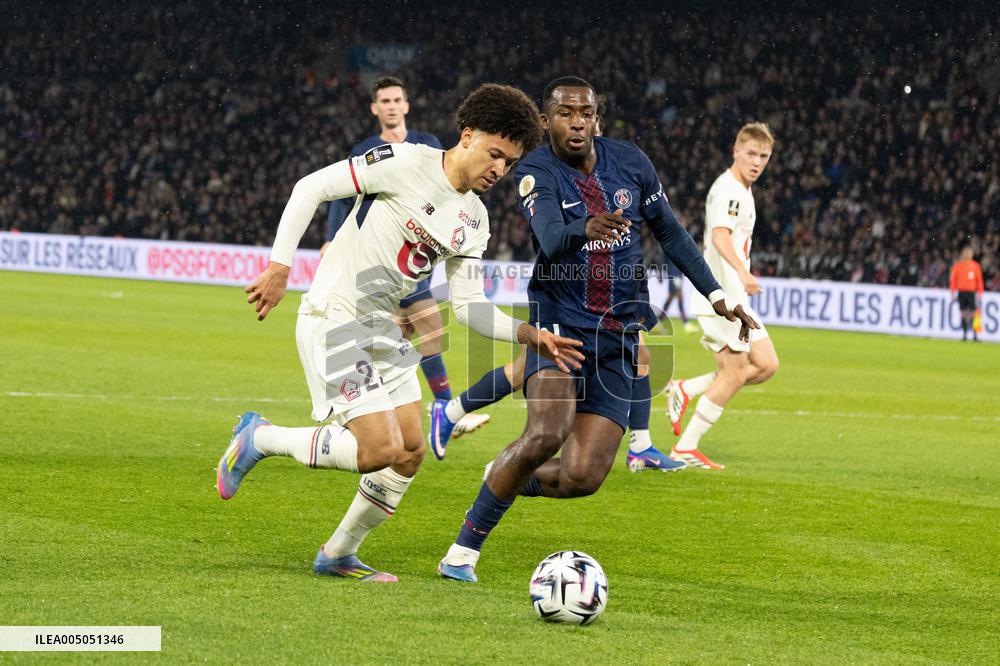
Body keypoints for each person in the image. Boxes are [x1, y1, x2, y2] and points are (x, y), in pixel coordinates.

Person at [215, 83, 584, 582]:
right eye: (495, 154)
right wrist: (280, 266)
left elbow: (470, 307)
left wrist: (527, 333)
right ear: (468, 135)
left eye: (510, 162)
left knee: (410, 452)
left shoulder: (475, 219)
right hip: (337, 313)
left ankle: (338, 553)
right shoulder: (406, 162)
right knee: (379, 451)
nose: (499, 170)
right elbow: (311, 187)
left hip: (384, 327)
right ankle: (260, 437)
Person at [436, 77, 757, 583]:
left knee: (583, 477)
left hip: (619, 334)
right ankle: (461, 554)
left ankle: (503, 474)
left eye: (585, 112)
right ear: (546, 122)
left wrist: (718, 294)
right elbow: (546, 235)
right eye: (565, 113)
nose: (577, 121)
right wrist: (583, 228)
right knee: (545, 434)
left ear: (597, 116)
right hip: (559, 329)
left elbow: (670, 231)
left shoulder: (631, 163)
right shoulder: (537, 169)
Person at [429, 102, 682, 471]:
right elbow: (553, 236)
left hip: (599, 300)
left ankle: (452, 410)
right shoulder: (553, 172)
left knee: (532, 369)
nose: (584, 129)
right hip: (565, 297)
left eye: (590, 120)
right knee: (542, 369)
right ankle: (636, 446)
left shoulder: (608, 170)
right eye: (571, 119)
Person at [323, 76, 458, 406]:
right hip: (380, 252)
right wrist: (331, 238)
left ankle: (428, 407)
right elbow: (344, 198)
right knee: (413, 331)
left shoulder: (427, 143)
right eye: (385, 101)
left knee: (417, 331)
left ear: (407, 105)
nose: (392, 106)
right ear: (375, 108)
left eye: (397, 100)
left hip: (416, 250)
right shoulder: (365, 150)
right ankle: (439, 407)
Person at [666, 123, 779, 470]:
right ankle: (686, 447)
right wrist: (743, 272)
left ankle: (685, 389)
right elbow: (719, 236)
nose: (757, 162)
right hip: (723, 296)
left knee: (766, 364)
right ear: (736, 150)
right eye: (750, 154)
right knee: (733, 374)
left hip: (734, 296)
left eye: (763, 156)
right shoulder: (731, 190)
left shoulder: (741, 189)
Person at [949, 246, 984, 342]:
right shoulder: (957, 266)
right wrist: (952, 293)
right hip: (962, 292)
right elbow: (953, 281)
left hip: (971, 292)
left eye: (969, 253)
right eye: (966, 253)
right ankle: (964, 335)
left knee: (973, 314)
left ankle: (975, 336)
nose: (968, 255)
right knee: (963, 314)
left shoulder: (976, 266)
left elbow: (979, 281)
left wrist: (980, 293)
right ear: (963, 254)